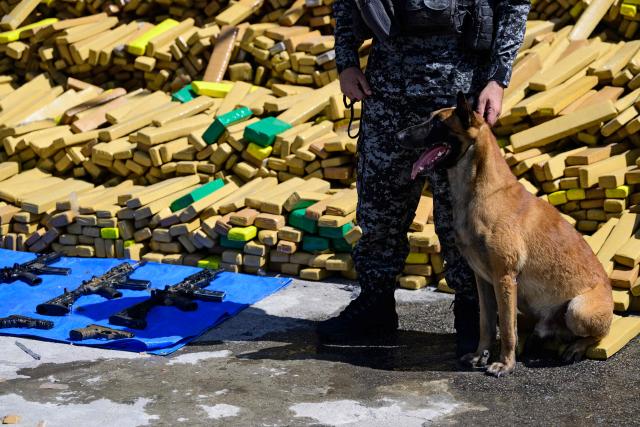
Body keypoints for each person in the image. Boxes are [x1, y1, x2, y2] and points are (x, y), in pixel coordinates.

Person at [317, 0, 530, 356]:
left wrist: (498, 77)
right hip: (387, 93)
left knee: (463, 221)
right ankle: (374, 309)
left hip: (458, 99)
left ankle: (472, 317)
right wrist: (347, 61)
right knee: (379, 213)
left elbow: (513, 4)